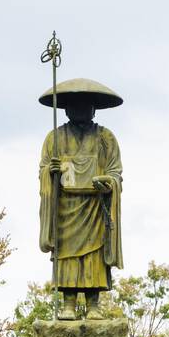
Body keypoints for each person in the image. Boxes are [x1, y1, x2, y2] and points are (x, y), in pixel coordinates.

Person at [37, 78, 123, 320]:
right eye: (74, 105)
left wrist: (107, 182)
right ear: (65, 108)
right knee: (67, 254)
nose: (80, 109)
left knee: (95, 254)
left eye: (86, 105)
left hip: (96, 207)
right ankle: (68, 304)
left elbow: (116, 173)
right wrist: (50, 173)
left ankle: (94, 304)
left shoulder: (106, 137)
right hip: (65, 207)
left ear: (94, 108)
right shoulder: (54, 138)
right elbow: (43, 168)